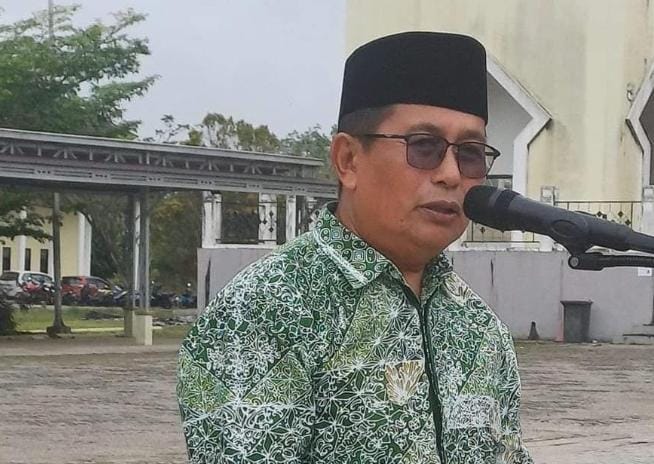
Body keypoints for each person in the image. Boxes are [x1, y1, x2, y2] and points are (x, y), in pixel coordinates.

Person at [177, 31, 532, 463]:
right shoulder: (268, 310)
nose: (452, 174)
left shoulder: (478, 326)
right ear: (348, 160)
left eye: (471, 153)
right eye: (424, 147)